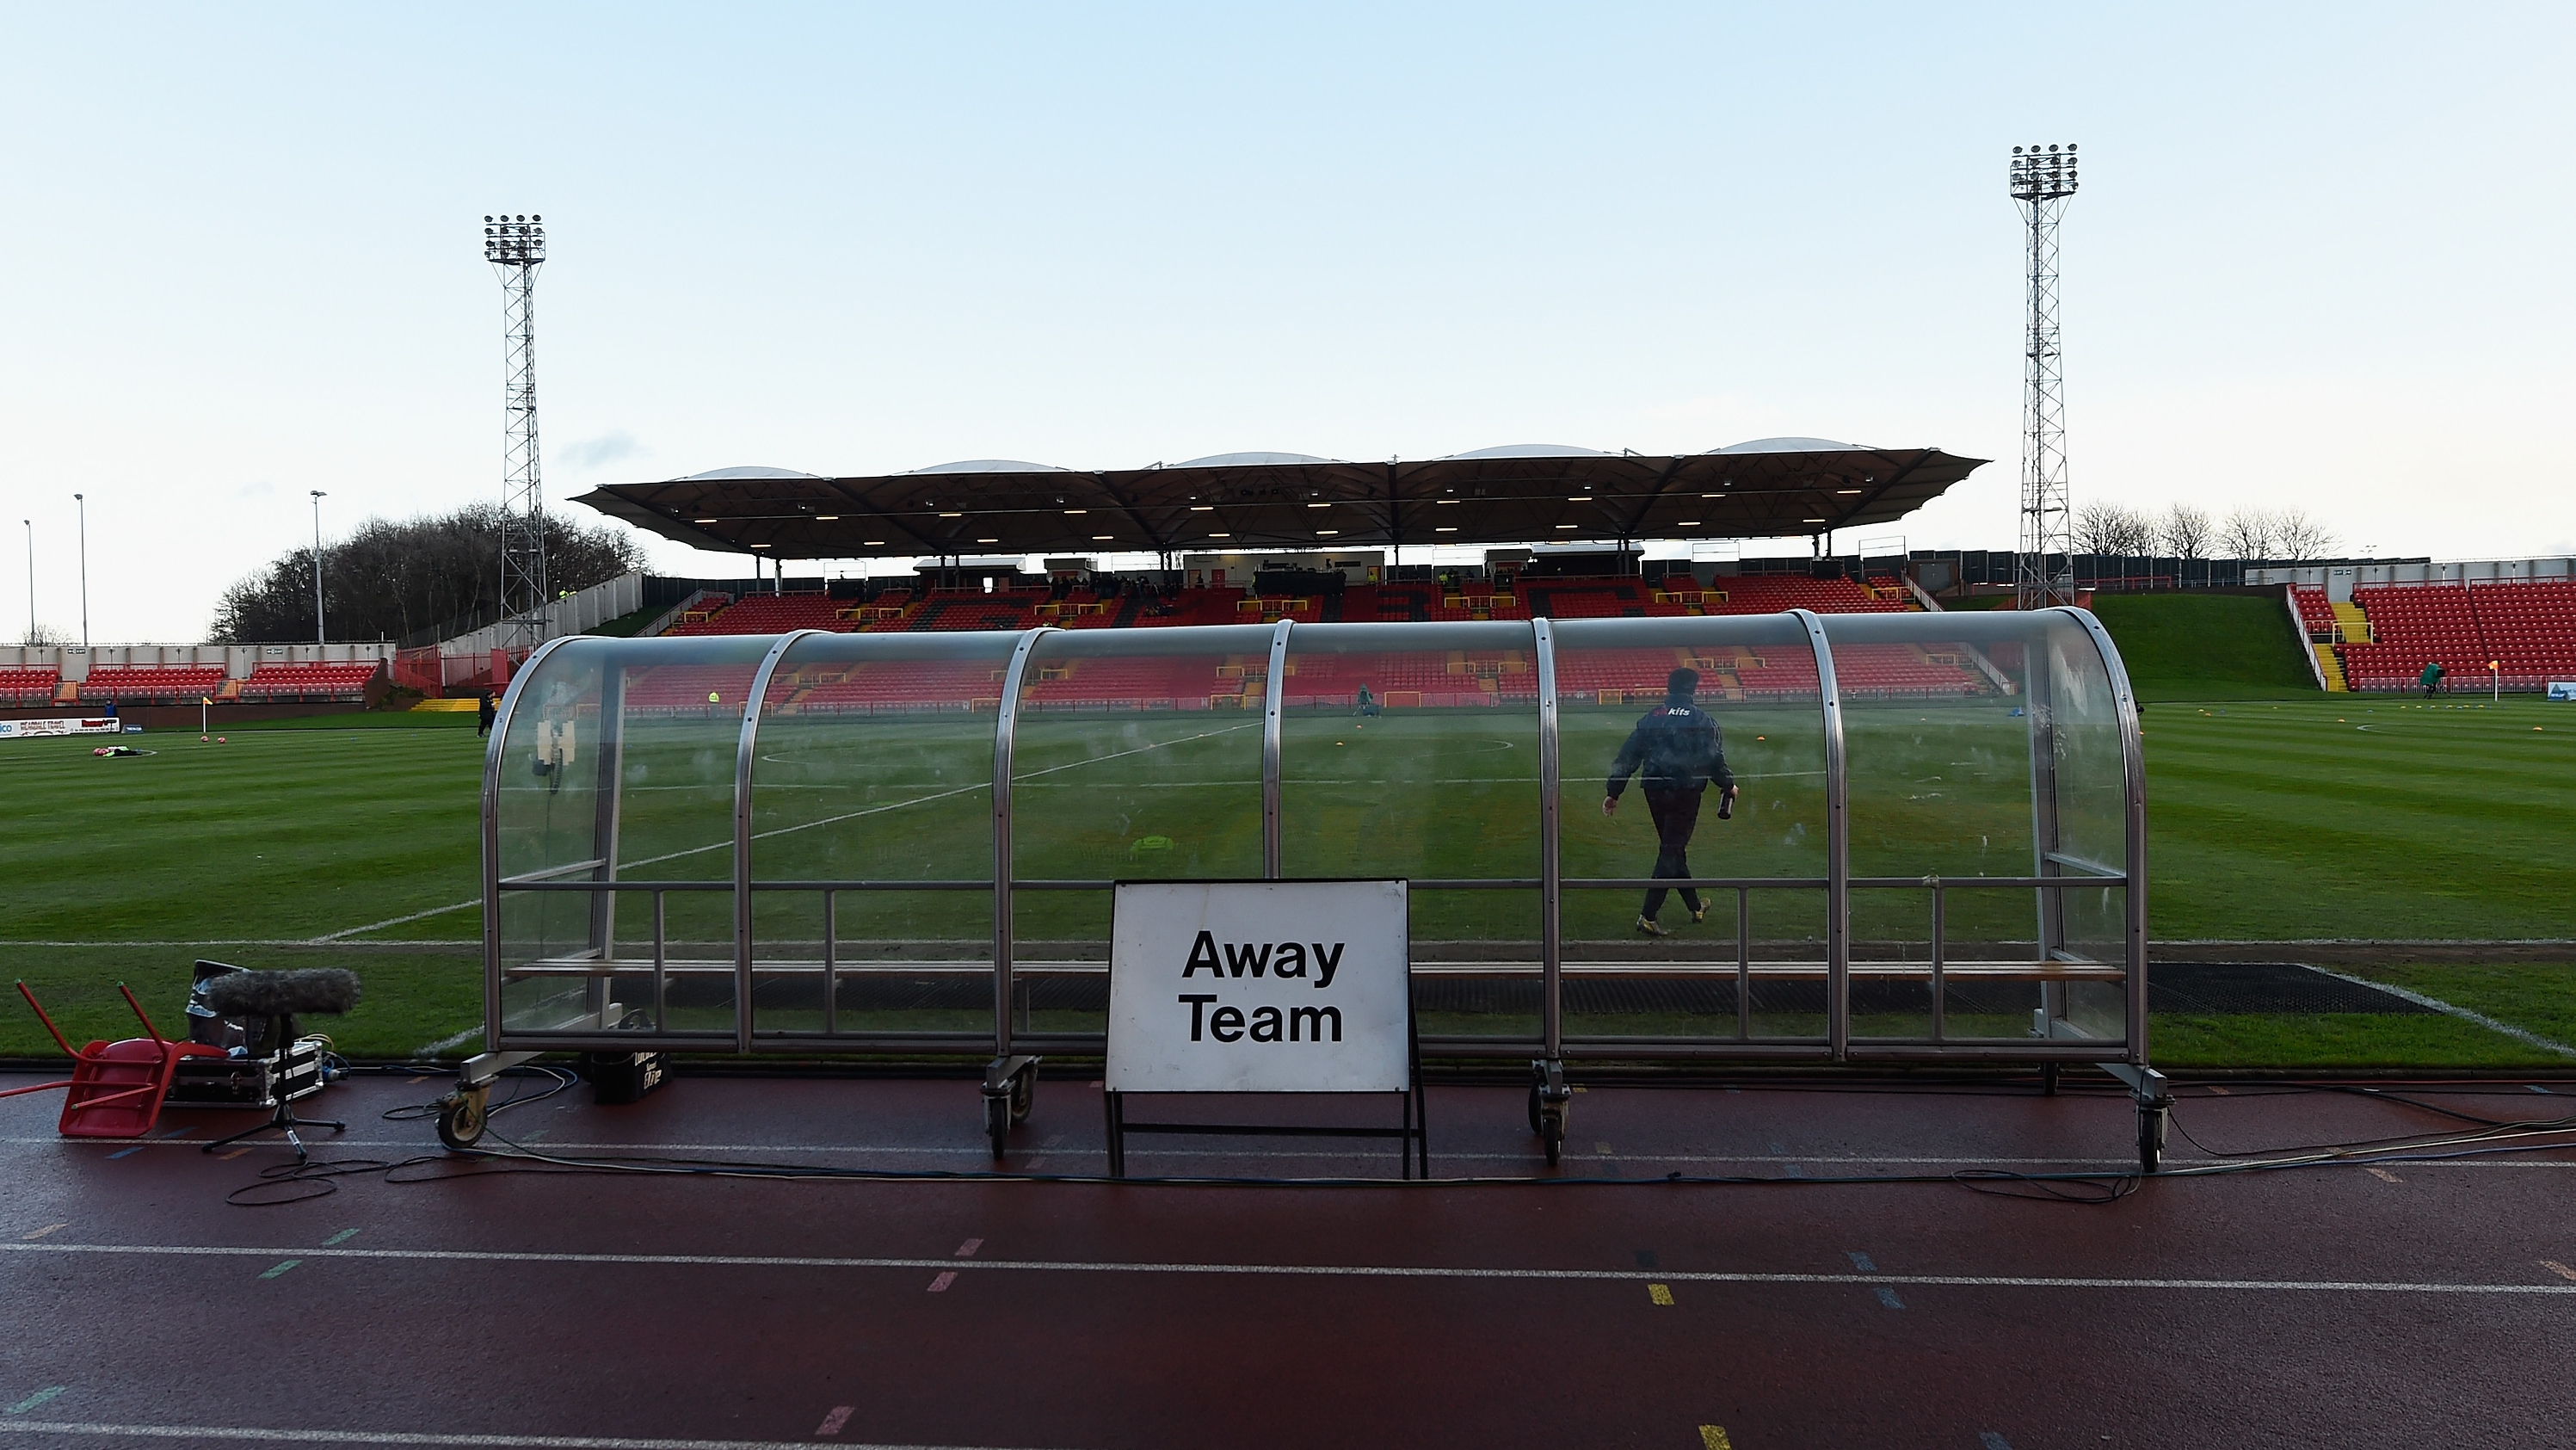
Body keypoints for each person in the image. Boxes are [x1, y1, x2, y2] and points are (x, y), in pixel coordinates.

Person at [1603, 668, 1736, 937]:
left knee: (1673, 848)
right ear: (1693, 690)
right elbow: (1714, 758)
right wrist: (1728, 785)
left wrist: (1614, 791)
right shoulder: (1701, 719)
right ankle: (1648, 915)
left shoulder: (1653, 717)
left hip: (1654, 789)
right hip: (1685, 791)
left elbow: (1627, 756)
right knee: (1671, 849)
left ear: (1669, 689)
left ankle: (1695, 905)